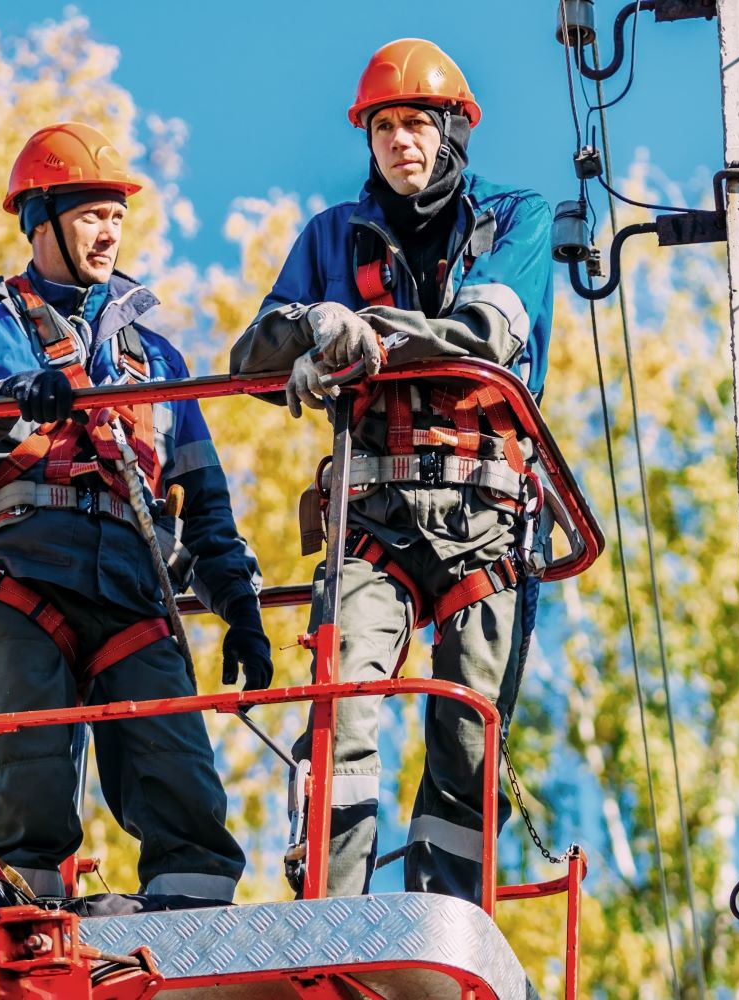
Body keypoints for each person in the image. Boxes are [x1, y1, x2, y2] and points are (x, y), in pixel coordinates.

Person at [0, 122, 272, 902]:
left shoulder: (153, 359)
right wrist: (5, 403)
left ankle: (189, 920)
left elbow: (202, 498)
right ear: (41, 220)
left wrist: (241, 608)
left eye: (117, 216)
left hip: (133, 587)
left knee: (183, 785)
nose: (109, 231)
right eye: (92, 214)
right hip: (17, 577)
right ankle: (25, 915)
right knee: (27, 787)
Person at [229, 39, 553, 904]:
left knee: (469, 733)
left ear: (453, 132)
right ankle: (332, 909)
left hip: (486, 519)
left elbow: (487, 332)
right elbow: (249, 357)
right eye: (384, 127)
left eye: (416, 123)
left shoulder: (517, 220)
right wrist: (310, 327)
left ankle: (441, 920)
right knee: (341, 708)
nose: (400, 141)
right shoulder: (332, 237)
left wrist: (364, 337)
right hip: (371, 520)